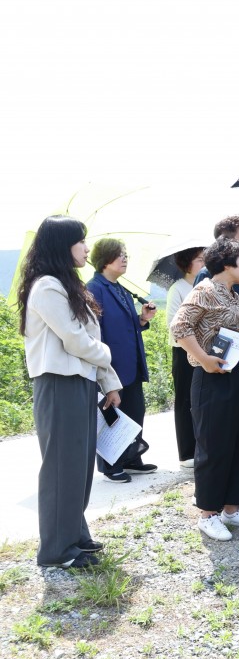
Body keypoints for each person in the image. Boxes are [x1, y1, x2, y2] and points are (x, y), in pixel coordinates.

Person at [18, 216, 122, 569]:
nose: (87, 248)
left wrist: (109, 381)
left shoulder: (69, 285)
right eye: (81, 241)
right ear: (63, 246)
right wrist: (108, 358)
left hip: (79, 381)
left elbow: (89, 341)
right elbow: (76, 340)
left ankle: (75, 534)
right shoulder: (47, 286)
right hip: (58, 382)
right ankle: (56, 551)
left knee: (77, 465)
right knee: (62, 465)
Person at [171, 237, 239, 542]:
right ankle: (208, 514)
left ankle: (232, 508)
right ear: (227, 262)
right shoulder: (205, 290)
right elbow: (179, 327)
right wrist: (203, 359)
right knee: (213, 445)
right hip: (212, 377)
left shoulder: (235, 296)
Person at [195, 215, 239, 498]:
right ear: (227, 242)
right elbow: (185, 325)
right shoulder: (207, 281)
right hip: (219, 367)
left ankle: (233, 489)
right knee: (217, 438)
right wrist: (203, 358)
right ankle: (211, 500)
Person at [86, 238, 158, 483]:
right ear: (105, 259)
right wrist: (103, 370)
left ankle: (131, 457)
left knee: (135, 411)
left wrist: (142, 320)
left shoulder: (121, 288)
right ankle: (111, 465)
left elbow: (125, 327)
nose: (125, 258)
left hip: (132, 364)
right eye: (120, 254)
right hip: (112, 366)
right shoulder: (94, 289)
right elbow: (95, 333)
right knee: (113, 415)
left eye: (125, 254)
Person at [166, 246, 205, 468]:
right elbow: (173, 325)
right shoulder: (178, 289)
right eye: (199, 260)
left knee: (200, 400)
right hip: (183, 351)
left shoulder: (204, 286)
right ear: (187, 264)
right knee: (184, 401)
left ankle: (200, 447)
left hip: (202, 350)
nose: (203, 264)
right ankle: (186, 453)